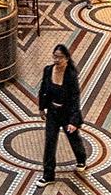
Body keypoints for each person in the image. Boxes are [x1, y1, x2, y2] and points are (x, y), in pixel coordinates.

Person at [37, 41, 86, 181]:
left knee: (73, 137)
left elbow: (75, 98)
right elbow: (43, 89)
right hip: (53, 112)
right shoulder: (48, 70)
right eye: (55, 56)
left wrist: (73, 120)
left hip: (67, 113)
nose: (56, 60)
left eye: (59, 57)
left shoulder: (71, 75)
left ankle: (81, 158)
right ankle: (48, 175)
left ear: (66, 58)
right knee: (50, 142)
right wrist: (41, 107)